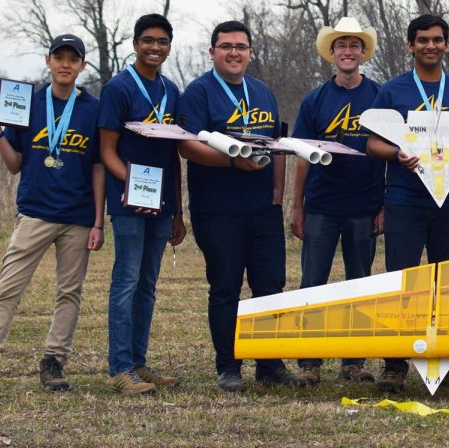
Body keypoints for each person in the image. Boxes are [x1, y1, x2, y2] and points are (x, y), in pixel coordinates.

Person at [0, 35, 103, 393]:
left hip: (77, 216)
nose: (65, 64)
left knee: (69, 292)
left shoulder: (93, 109)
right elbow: (14, 164)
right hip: (35, 212)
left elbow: (97, 169)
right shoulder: (27, 103)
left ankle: (53, 362)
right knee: (7, 290)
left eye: (72, 59)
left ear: (82, 66)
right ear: (48, 61)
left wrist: (97, 221)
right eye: (59, 57)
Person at [177, 21, 308, 392]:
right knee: (225, 287)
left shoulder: (262, 91)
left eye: (241, 46)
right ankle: (228, 366)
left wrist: (278, 190)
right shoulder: (198, 92)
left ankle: (269, 365)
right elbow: (187, 146)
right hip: (218, 209)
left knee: (270, 285)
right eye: (225, 46)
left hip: (262, 209)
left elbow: (276, 142)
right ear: (212, 51)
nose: (234, 53)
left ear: (250, 52)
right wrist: (235, 162)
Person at [365, 14, 449, 393]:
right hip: (404, 199)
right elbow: (372, 144)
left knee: (446, 283)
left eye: (437, 40)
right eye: (422, 40)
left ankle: (443, 365)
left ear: (447, 45)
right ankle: (394, 366)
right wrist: (397, 152)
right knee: (402, 281)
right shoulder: (392, 91)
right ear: (410, 46)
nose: (430, 46)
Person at [290, 17, 384, 386]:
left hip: (364, 207)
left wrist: (385, 205)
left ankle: (353, 361)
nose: (348, 51)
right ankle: (309, 362)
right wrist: (297, 207)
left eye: (354, 46)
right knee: (313, 282)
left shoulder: (380, 97)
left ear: (363, 53)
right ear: (332, 53)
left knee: (359, 284)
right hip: (321, 207)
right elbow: (301, 154)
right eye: (341, 45)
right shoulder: (315, 100)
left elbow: (393, 153)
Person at [98, 13, 185, 395]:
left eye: (162, 41)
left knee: (148, 285)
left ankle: (137, 361)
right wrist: (134, 186)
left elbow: (175, 155)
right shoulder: (118, 88)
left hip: (162, 203)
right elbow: (106, 151)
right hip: (128, 201)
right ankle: (119, 368)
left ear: (169, 47)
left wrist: (178, 210)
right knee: (126, 282)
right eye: (148, 40)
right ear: (135, 44)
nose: (155, 47)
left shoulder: (172, 90)